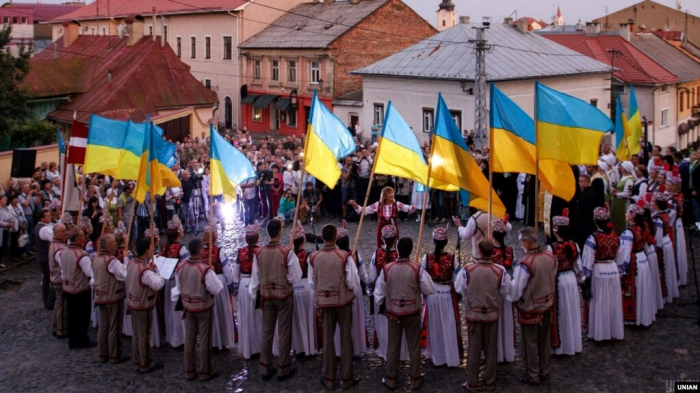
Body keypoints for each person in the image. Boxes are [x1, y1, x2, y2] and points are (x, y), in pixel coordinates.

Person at [374, 237, 435, 390]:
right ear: (411, 250)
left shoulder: (387, 269)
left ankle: (391, 379)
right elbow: (429, 289)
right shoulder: (417, 269)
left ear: (398, 250)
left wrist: (383, 305)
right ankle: (415, 378)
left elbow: (379, 293)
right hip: (412, 312)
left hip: (394, 313)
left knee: (393, 346)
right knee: (414, 346)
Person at [308, 224, 362, 390]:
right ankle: (347, 378)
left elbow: (312, 284)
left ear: (323, 238)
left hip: (325, 304)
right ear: (336, 237)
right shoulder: (344, 257)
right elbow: (353, 282)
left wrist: (318, 301)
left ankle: (329, 377)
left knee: (328, 341)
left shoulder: (313, 257)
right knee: (346, 339)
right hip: (343, 302)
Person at [455, 238, 511, 392]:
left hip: (474, 314)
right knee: (491, 350)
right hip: (491, 315)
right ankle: (490, 381)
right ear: (492, 252)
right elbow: (506, 291)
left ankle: (472, 382)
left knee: (473, 350)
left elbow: (460, 289)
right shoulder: (500, 271)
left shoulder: (468, 270)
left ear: (479, 251)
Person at [250, 219, 302, 382]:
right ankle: (283, 368)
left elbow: (255, 277)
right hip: (283, 296)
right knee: (284, 331)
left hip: (266, 295)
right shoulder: (287, 253)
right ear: (280, 232)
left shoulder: (259, 253)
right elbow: (294, 277)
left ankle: (265, 367)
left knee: (267, 331)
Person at [508, 227, 557, 385]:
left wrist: (512, 298)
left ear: (527, 242)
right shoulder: (550, 256)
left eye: (521, 241)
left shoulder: (526, 263)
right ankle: (545, 369)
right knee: (544, 340)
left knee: (530, 343)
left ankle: (532, 374)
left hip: (531, 307)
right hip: (548, 304)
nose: (520, 243)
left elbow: (517, 289)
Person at [176, 238, 223, 381]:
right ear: (200, 251)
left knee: (189, 339)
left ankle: (190, 370)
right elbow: (217, 288)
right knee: (204, 339)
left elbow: (179, 287)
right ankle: (204, 371)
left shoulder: (181, 266)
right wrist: (213, 273)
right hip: (203, 307)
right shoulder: (204, 270)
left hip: (188, 307)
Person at [420, 226, 462, 368]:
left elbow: (422, 278)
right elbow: (458, 279)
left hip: (432, 295)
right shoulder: (453, 259)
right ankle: (448, 354)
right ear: (446, 242)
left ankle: (436, 355)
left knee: (435, 325)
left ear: (433, 240)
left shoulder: (427, 257)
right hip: (447, 296)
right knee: (448, 324)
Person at [581, 205, 624, 341]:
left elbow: (587, 260)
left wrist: (584, 277)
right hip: (613, 269)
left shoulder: (593, 239)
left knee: (599, 301)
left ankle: (599, 332)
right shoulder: (616, 237)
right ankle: (613, 330)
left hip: (599, 270)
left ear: (595, 221)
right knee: (613, 301)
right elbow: (621, 258)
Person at [547, 210, 584, 356]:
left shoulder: (551, 248)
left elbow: (550, 268)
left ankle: (560, 346)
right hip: (571, 279)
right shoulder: (575, 245)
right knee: (572, 310)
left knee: (560, 312)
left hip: (559, 281)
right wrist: (580, 280)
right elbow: (579, 267)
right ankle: (572, 343)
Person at [127, 238, 165, 373]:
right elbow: (158, 284)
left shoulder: (131, 263)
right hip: (143, 305)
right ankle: (145, 363)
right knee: (144, 335)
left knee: (137, 334)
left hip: (133, 302)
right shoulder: (145, 271)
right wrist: (157, 272)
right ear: (147, 250)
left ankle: (137, 360)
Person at [368, 225, 407, 361]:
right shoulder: (400, 254)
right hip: (397, 292)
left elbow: (371, 276)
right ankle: (399, 352)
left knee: (382, 325)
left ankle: (385, 351)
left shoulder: (377, 254)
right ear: (396, 238)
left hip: (381, 293)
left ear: (382, 238)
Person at [616, 203, 656, 327]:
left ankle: (633, 317)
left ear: (632, 216)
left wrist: (621, 270)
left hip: (634, 262)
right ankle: (643, 315)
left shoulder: (628, 233)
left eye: (627, 212)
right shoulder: (641, 228)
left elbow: (625, 253)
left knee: (634, 289)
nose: (625, 214)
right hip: (642, 259)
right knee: (642, 288)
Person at [92, 234, 128, 364]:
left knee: (103, 326)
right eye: (113, 243)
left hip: (100, 295)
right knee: (114, 326)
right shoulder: (111, 261)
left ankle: (103, 353)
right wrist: (126, 259)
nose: (115, 245)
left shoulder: (95, 258)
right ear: (108, 246)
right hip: (113, 295)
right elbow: (123, 275)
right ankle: (114, 354)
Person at [334, 221, 368, 358]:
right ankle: (353, 350)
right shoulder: (353, 255)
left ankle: (341, 350)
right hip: (351, 291)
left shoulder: (351, 255)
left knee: (341, 323)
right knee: (354, 321)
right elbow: (363, 275)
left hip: (341, 291)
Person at [200, 226, 235, 351]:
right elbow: (227, 271)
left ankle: (213, 341)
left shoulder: (199, 251)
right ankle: (223, 340)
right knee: (221, 312)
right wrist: (231, 286)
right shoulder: (219, 251)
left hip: (203, 283)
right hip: (218, 282)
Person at [59, 227, 95, 349]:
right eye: (83, 237)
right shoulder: (82, 255)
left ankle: (73, 339)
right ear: (79, 239)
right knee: (82, 316)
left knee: (71, 314)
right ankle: (82, 339)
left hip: (67, 287)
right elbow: (89, 273)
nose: (84, 239)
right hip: (80, 289)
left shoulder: (63, 252)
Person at [233, 224, 263, 359]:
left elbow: (235, 273)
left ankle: (248, 347)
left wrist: (235, 287)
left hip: (244, 285)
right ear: (258, 237)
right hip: (257, 285)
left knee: (245, 315)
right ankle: (260, 346)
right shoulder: (261, 252)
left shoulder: (240, 252)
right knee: (258, 316)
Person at [349, 186, 414, 247]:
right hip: (381, 231)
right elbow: (364, 211)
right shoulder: (378, 205)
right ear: (384, 195)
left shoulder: (397, 204)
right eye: (389, 193)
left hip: (393, 231)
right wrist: (355, 205)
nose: (391, 195)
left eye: (392, 193)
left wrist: (412, 207)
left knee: (394, 247)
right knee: (381, 248)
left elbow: (408, 208)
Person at [490, 218, 516, 363]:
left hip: (493, 292)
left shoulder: (488, 251)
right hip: (505, 291)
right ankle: (506, 350)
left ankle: (495, 351)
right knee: (506, 321)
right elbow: (515, 271)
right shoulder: (510, 251)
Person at [289, 225, 318, 356]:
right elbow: (313, 275)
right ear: (304, 240)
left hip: (294, 289)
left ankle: (299, 347)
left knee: (297, 319)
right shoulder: (307, 256)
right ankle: (310, 347)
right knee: (308, 318)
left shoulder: (289, 255)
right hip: (306, 288)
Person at [162, 216, 189, 348]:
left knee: (170, 309)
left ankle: (172, 336)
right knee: (179, 310)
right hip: (178, 282)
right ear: (179, 232)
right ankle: (181, 338)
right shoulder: (181, 249)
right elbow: (187, 265)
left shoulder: (165, 247)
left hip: (168, 281)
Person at [651, 193, 679, 303]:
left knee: (662, 269)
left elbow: (657, 237)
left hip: (662, 243)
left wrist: (656, 249)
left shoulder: (657, 218)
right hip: (667, 241)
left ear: (657, 205)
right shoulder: (664, 215)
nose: (651, 203)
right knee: (668, 267)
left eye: (653, 202)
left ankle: (663, 295)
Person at [667, 177, 688, 286]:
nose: (666, 185)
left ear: (674, 186)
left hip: (674, 224)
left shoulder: (673, 200)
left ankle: (677, 277)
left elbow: (670, 216)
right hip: (678, 223)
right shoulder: (678, 196)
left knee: (676, 249)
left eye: (669, 184)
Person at [49, 223, 68, 338]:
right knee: (61, 304)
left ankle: (56, 325)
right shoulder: (59, 248)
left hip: (55, 277)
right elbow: (63, 264)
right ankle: (61, 328)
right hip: (59, 278)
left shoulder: (54, 244)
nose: (65, 233)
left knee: (58, 303)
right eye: (62, 231)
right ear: (56, 233)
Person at [576, 174, 605, 247]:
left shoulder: (588, 193)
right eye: (579, 181)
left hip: (585, 221)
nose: (579, 183)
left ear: (587, 182)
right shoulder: (586, 192)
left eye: (581, 181)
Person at [35, 208, 54, 310]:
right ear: (42, 218)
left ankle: (48, 300)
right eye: (47, 216)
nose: (50, 217)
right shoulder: (43, 229)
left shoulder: (42, 227)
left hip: (42, 256)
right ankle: (49, 301)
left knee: (47, 279)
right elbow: (53, 238)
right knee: (49, 279)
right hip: (45, 257)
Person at [611, 161, 635, 234]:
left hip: (623, 203)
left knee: (622, 219)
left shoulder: (629, 179)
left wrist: (616, 194)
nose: (621, 168)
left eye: (622, 167)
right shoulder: (623, 177)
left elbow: (626, 193)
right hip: (617, 202)